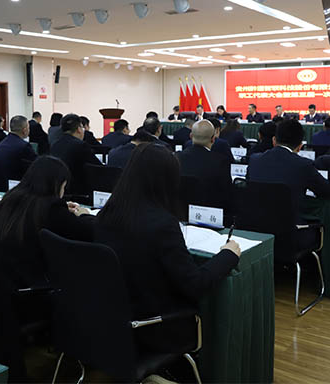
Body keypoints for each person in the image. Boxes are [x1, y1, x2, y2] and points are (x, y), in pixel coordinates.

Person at [94, 143, 240, 352]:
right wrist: (228, 255)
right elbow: (195, 285)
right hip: (155, 327)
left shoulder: (106, 214)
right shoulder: (162, 224)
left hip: (111, 320)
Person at [0, 156, 95, 288]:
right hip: (34, 283)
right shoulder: (52, 208)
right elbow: (88, 232)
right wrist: (84, 215)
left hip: (1, 279)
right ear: (56, 184)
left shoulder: (11, 197)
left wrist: (63, 210)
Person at [247, 119, 330, 204]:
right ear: (300, 146)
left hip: (254, 214)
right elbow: (328, 191)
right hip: (288, 215)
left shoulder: (254, 160)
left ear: (274, 140)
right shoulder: (303, 165)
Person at [177, 120, 233, 210]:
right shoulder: (220, 162)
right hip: (210, 212)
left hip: (178, 211)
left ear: (191, 136)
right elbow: (227, 193)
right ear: (213, 139)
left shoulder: (176, 157)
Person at [50, 113, 102, 195]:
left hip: (58, 189)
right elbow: (98, 168)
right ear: (79, 129)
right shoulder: (80, 145)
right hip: (77, 192)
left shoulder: (55, 144)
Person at [0, 115, 38, 180]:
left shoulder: (1, 144)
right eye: (28, 128)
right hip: (18, 182)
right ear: (24, 130)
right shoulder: (24, 146)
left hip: (1, 181)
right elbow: (36, 166)